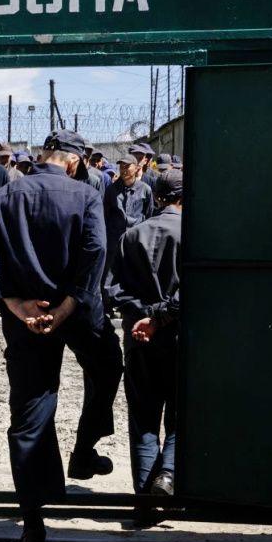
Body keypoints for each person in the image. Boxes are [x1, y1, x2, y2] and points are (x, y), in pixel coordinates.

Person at [0, 128, 122, 542]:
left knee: (29, 413)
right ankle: (84, 449)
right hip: (76, 311)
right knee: (107, 364)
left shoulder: (6, 196)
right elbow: (95, 251)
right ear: (75, 161)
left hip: (24, 316)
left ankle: (33, 526)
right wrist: (66, 308)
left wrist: (18, 304)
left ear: (45, 154)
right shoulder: (84, 196)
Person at [107, 169, 183, 499]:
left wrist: (143, 315)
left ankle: (144, 495)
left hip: (139, 339)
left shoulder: (131, 236)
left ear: (154, 197)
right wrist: (162, 315)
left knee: (143, 417)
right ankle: (167, 474)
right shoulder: (194, 235)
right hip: (182, 337)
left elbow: (111, 289)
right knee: (184, 412)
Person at [102, 154, 153, 281]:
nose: (123, 170)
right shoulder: (111, 191)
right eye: (121, 167)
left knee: (134, 279)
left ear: (136, 168)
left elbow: (149, 216)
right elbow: (104, 217)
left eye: (127, 167)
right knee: (109, 279)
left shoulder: (145, 190)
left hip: (135, 244)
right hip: (114, 244)